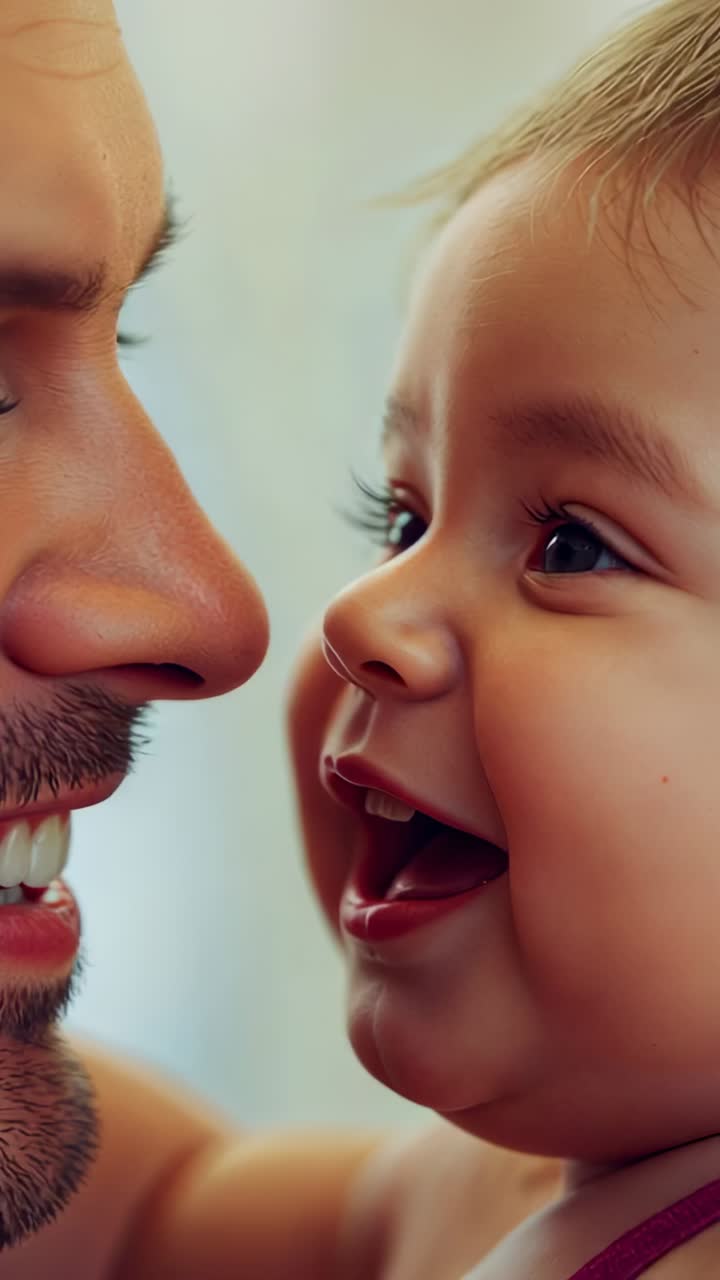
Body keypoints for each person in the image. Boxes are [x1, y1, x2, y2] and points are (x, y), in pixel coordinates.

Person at [285, 0, 720, 1275]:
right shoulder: (495, 1194)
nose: (360, 613)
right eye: (403, 514)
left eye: (572, 546)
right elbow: (144, 1213)